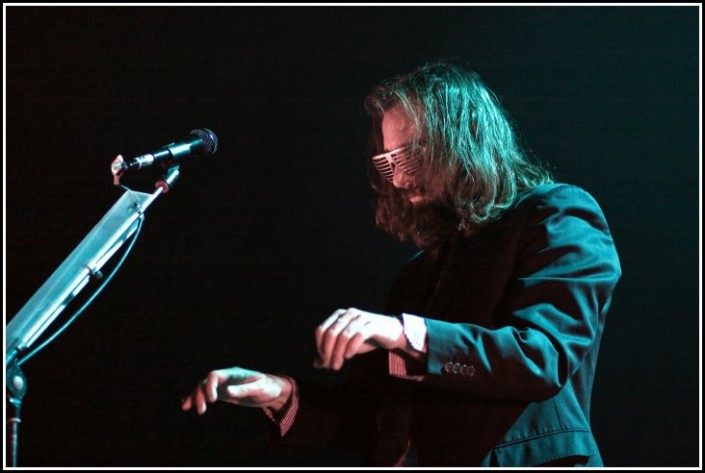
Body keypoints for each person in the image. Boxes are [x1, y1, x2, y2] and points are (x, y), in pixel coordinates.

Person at [181, 60, 622, 467]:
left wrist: (404, 333)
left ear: (463, 140)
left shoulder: (559, 214)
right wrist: (281, 395)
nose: (400, 179)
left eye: (408, 156)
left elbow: (540, 357)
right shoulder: (420, 273)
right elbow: (374, 421)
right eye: (387, 163)